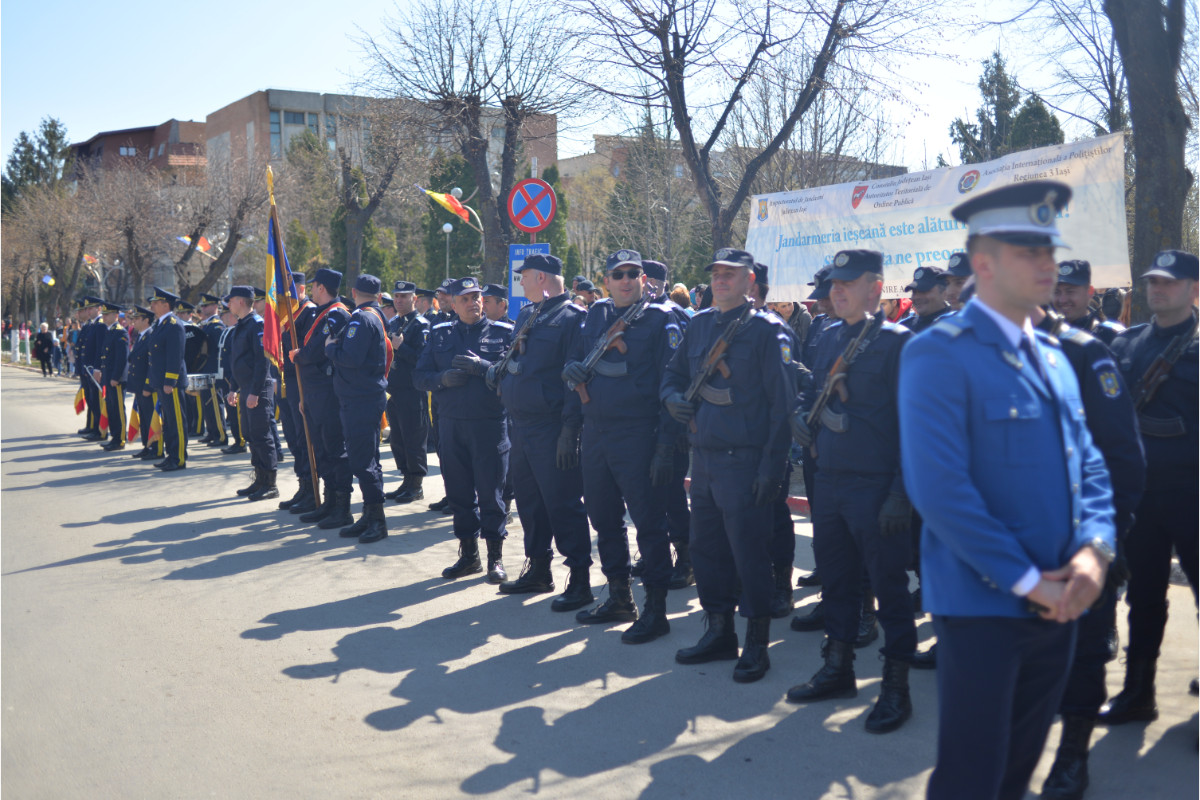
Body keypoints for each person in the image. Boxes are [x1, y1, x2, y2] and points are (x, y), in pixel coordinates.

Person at [898, 180, 1116, 800]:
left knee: (1018, 769)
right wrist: (1029, 581)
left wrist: (1092, 554)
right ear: (985, 264)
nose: (1049, 264)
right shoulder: (939, 353)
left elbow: (1090, 466)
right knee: (974, 776)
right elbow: (940, 491)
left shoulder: (1052, 356)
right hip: (985, 606)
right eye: (1031, 252)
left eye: (1051, 250)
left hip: (1064, 600)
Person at [787, 250, 917, 733]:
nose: (837, 291)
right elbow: (810, 392)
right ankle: (837, 669)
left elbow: (915, 424)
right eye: (834, 284)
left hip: (879, 487)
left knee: (889, 590)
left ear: (876, 288)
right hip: (831, 481)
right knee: (838, 583)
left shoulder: (898, 344)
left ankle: (896, 687)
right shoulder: (828, 337)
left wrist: (902, 493)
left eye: (849, 283)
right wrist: (800, 416)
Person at [662, 248, 792, 683]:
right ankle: (718, 631)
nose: (720, 280)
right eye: (715, 273)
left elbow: (782, 406)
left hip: (745, 460)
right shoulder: (699, 324)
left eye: (730, 274)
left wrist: (772, 470)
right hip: (705, 460)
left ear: (749, 280)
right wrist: (672, 399)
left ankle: (756, 641)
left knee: (749, 554)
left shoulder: (766, 331)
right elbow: (672, 374)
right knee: (706, 550)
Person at [1031, 304, 1146, 798]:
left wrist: (1107, 541)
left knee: (1083, 647)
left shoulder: (1082, 354)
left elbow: (1122, 456)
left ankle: (1073, 755)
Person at [564, 249, 683, 643]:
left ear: (645, 279)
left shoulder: (661, 320)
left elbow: (672, 387)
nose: (628, 280)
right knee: (602, 517)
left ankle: (656, 608)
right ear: (607, 281)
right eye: (619, 275)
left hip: (639, 434)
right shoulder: (595, 314)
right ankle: (619, 595)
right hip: (596, 431)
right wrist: (573, 369)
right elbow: (579, 358)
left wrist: (666, 445)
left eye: (635, 273)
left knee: (649, 524)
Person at [1100, 250, 1198, 728]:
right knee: (1143, 594)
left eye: (1170, 282)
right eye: (1153, 282)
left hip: (1194, 495)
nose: (1158, 289)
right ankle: (1139, 692)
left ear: (1194, 290)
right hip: (1142, 496)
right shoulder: (1128, 344)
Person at [495, 253, 594, 612]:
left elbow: (574, 379)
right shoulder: (528, 313)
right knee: (530, 503)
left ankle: (580, 579)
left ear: (541, 277)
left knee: (562, 503)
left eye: (524, 277)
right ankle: (538, 568)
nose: (520, 282)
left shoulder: (573, 319)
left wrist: (570, 429)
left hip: (552, 427)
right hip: (521, 424)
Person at [414, 277, 514, 582]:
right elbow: (419, 376)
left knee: (491, 494)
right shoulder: (440, 334)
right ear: (453, 304)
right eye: (465, 299)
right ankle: (469, 556)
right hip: (451, 426)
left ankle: (495, 558)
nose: (473, 303)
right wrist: (442, 379)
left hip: (489, 427)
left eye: (477, 297)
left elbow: (514, 378)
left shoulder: (503, 334)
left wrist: (482, 367)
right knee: (458, 495)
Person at [325, 274, 391, 544]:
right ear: (377, 295)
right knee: (367, 458)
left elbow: (350, 358)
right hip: (363, 396)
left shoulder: (362, 319)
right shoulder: (374, 316)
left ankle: (377, 519)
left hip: (361, 398)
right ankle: (369, 513)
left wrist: (331, 348)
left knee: (363, 461)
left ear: (353, 292)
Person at [290, 269, 354, 529]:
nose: (312, 290)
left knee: (334, 450)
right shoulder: (320, 312)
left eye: (315, 286)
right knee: (322, 450)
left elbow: (317, 351)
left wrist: (299, 355)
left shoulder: (336, 314)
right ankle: (328, 501)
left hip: (328, 392)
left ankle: (342, 507)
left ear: (321, 287)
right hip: (314, 393)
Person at [224, 286, 279, 501]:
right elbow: (238, 362)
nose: (228, 305)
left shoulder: (257, 324)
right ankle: (259, 479)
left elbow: (261, 361)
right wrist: (233, 388)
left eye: (231, 301)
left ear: (240, 301)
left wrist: (255, 392)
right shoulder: (241, 325)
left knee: (262, 436)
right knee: (250, 434)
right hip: (246, 388)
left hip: (258, 388)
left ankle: (270, 484)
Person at [384, 280, 431, 504]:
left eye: (404, 296)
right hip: (393, 391)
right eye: (396, 296)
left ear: (414, 299)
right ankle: (405, 480)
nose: (399, 300)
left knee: (413, 439)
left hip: (412, 391)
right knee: (398, 439)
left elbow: (423, 359)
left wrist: (401, 347)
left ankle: (416, 485)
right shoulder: (392, 322)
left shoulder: (421, 325)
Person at [277, 274, 319, 514]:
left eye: (288, 291)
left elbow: (307, 349)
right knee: (293, 437)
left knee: (305, 439)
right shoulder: (286, 313)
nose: (284, 297)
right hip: (287, 381)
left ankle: (312, 490)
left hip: (302, 381)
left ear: (300, 289)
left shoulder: (308, 312)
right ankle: (303, 486)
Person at [145, 287, 189, 471]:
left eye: (156, 302)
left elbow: (175, 356)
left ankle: (178, 458)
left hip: (170, 384)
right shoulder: (160, 324)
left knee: (177, 421)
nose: (152, 305)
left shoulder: (173, 325)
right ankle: (171, 455)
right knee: (169, 421)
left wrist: (170, 381)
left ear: (165, 304)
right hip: (161, 382)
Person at [1053, 259, 1126, 346]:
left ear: (1089, 292)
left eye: (1070, 292)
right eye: (1056, 292)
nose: (1062, 300)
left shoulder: (1109, 336)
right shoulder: (1044, 334)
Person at [95, 302, 129, 451]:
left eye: (107, 314)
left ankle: (120, 438)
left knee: (118, 409)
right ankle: (114, 437)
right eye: (103, 314)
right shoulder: (109, 331)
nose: (104, 317)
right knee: (111, 407)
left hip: (117, 379)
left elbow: (121, 358)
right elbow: (106, 356)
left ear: (116, 316)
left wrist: (115, 377)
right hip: (108, 377)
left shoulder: (120, 332)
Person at [126, 306, 158, 460]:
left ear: (146, 321)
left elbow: (152, 364)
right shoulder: (141, 336)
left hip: (147, 387)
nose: (134, 321)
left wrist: (147, 385)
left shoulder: (151, 336)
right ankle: (147, 445)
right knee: (144, 418)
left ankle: (156, 448)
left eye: (137, 319)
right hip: (138, 385)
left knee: (151, 418)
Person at [196, 294, 228, 448]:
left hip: (213, 371)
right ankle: (211, 432)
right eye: (202, 306)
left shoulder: (217, 326)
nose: (203, 308)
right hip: (204, 370)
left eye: (206, 305)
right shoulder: (205, 325)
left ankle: (221, 435)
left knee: (215, 403)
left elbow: (219, 351)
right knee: (207, 403)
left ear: (215, 306)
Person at [901, 266, 954, 333]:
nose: (917, 297)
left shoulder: (957, 323)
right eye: (914, 292)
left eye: (923, 291)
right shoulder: (904, 329)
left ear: (944, 292)